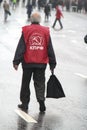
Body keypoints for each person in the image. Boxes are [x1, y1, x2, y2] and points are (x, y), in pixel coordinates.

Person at [13, 12, 57, 112]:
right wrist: (52, 63)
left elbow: (21, 47)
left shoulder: (26, 30)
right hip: (41, 63)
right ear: (40, 20)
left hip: (28, 62)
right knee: (40, 83)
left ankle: (25, 103)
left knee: (25, 83)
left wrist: (16, 61)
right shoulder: (45, 31)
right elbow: (49, 48)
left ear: (31, 20)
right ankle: (41, 100)